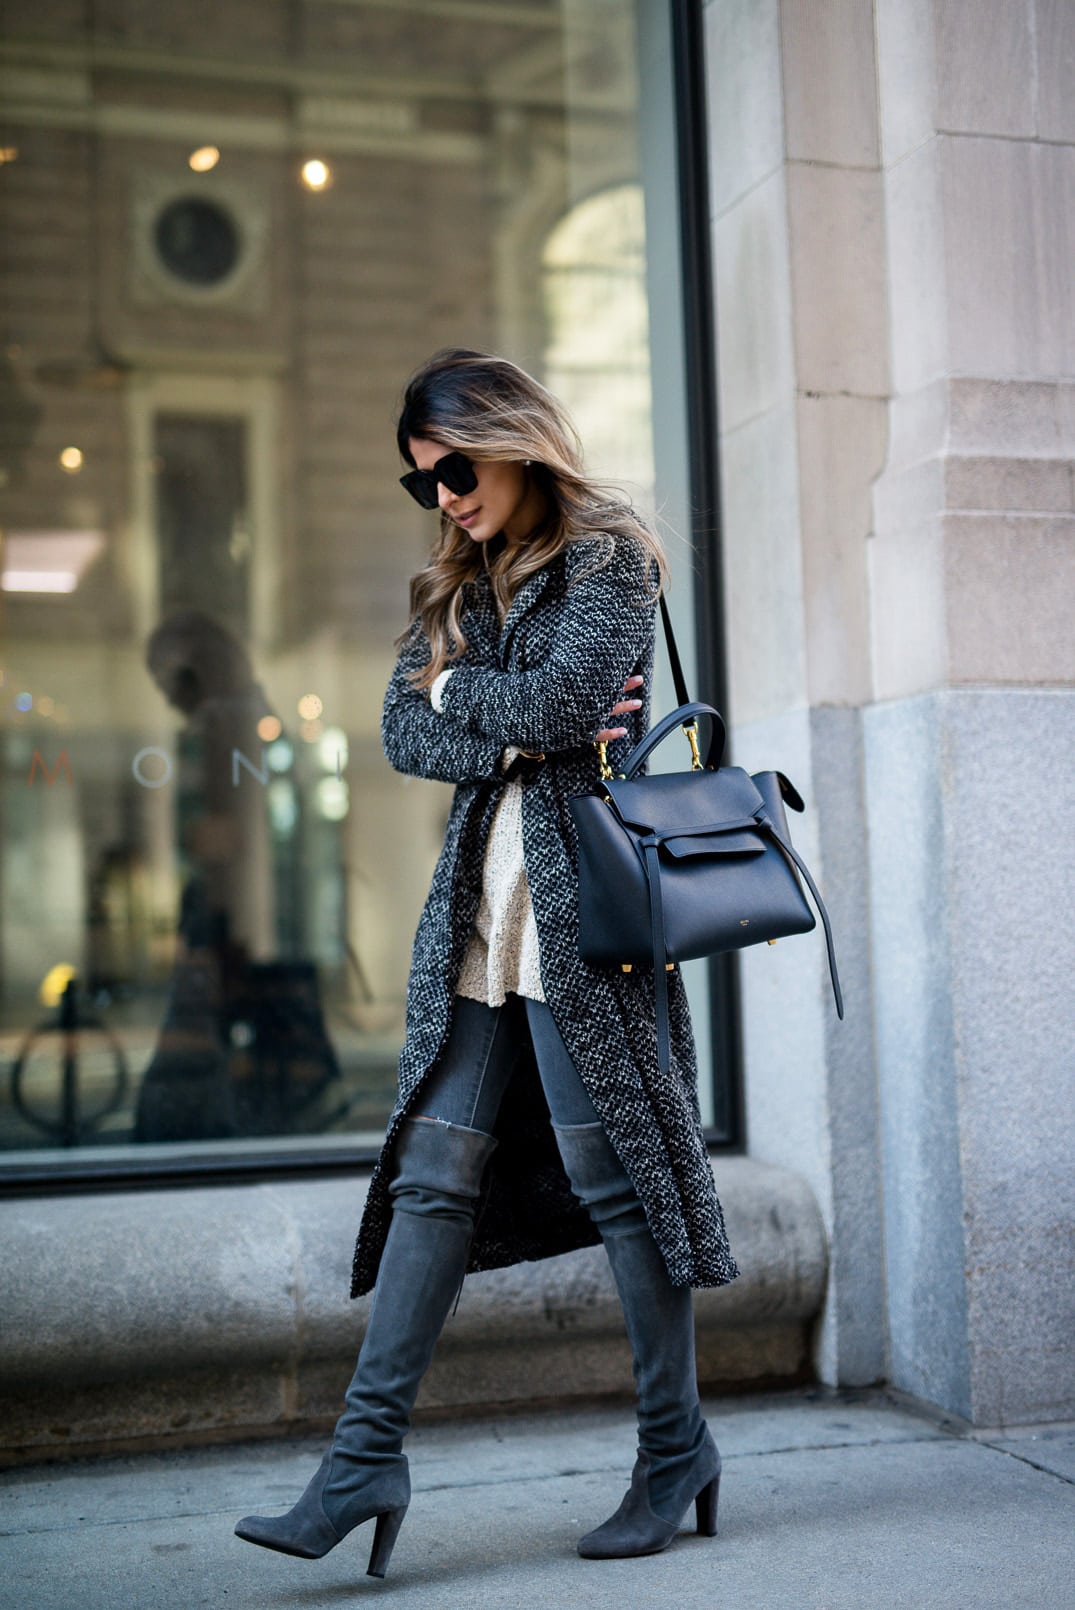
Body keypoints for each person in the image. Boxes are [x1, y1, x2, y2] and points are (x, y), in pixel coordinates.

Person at [234, 348, 739, 1578]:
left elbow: (567, 706)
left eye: (457, 469)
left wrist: (470, 687)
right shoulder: (453, 584)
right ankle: (361, 1462)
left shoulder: (609, 555)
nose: (446, 499)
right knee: (428, 1176)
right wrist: (489, 707)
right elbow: (403, 732)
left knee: (614, 1176)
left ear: (515, 440)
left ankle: (674, 1447)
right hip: (479, 917)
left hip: (585, 923)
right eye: (425, 484)